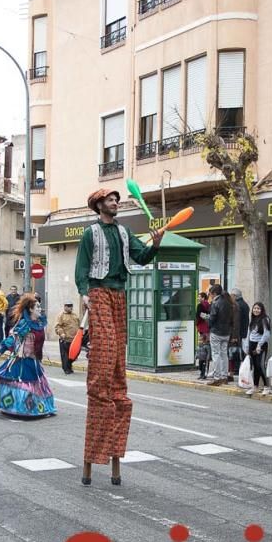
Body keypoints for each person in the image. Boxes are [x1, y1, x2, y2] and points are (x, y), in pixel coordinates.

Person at [75, 188, 160, 486]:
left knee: (117, 370)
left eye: (116, 199)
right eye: (111, 200)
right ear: (99, 204)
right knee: (106, 356)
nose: (116, 202)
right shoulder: (90, 234)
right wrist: (85, 294)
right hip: (98, 292)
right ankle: (91, 463)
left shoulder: (124, 233)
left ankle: (111, 463)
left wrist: (156, 242)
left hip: (119, 295)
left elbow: (142, 257)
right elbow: (81, 269)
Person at [0, 292, 57, 418]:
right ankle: (21, 408)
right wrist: (1, 349)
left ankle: (43, 408)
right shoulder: (25, 324)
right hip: (22, 359)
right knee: (24, 383)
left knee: (39, 383)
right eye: (37, 307)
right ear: (30, 309)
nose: (40, 309)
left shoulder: (39, 323)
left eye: (40, 307)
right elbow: (13, 338)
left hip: (34, 360)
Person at [206, 284, 236, 386]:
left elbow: (212, 318)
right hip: (226, 332)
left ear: (214, 293)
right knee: (224, 354)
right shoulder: (228, 302)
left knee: (216, 354)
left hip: (216, 331)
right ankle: (224, 376)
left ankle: (217, 377)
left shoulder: (216, 303)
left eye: (210, 294)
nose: (210, 295)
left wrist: (208, 322)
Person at [245, 302, 272, 396]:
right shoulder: (252, 319)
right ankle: (255, 386)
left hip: (261, 345)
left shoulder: (265, 319)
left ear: (262, 310)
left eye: (258, 308)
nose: (256, 310)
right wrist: (247, 346)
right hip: (252, 344)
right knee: (255, 367)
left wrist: (259, 345)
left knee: (260, 365)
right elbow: (249, 333)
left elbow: (267, 334)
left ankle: (267, 386)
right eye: (255, 308)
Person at [54, 302, 80, 374]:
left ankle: (69, 365)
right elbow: (58, 326)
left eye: (71, 306)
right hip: (65, 339)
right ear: (65, 307)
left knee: (75, 354)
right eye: (68, 306)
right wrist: (61, 333)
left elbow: (79, 325)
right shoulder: (61, 316)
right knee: (65, 356)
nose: (70, 307)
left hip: (74, 340)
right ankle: (66, 369)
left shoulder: (75, 315)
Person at [229, 288, 249, 376]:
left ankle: (237, 369)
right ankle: (240, 367)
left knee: (236, 351)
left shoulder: (237, 305)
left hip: (238, 331)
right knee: (240, 350)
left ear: (235, 296)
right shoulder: (245, 304)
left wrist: (234, 335)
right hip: (243, 330)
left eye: (231, 295)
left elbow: (236, 321)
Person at [195, 292, 211, 380]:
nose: (198, 298)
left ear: (204, 298)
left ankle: (202, 372)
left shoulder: (200, 306)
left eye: (200, 297)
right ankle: (205, 371)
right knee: (206, 351)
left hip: (202, 329)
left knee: (201, 351)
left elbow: (198, 317)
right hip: (208, 330)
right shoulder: (209, 305)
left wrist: (196, 323)